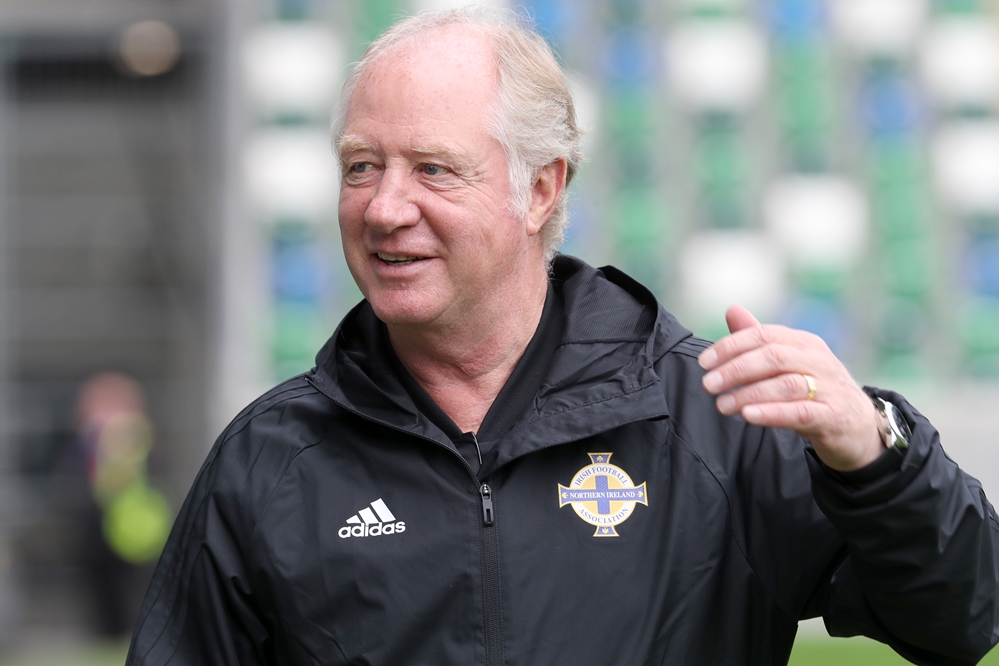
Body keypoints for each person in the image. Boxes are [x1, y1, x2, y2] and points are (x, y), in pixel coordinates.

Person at [126, 8, 997, 665]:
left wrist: (879, 460)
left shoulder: (714, 420)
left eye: (432, 168)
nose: (386, 208)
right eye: (362, 166)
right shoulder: (268, 461)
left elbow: (961, 619)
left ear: (540, 190)